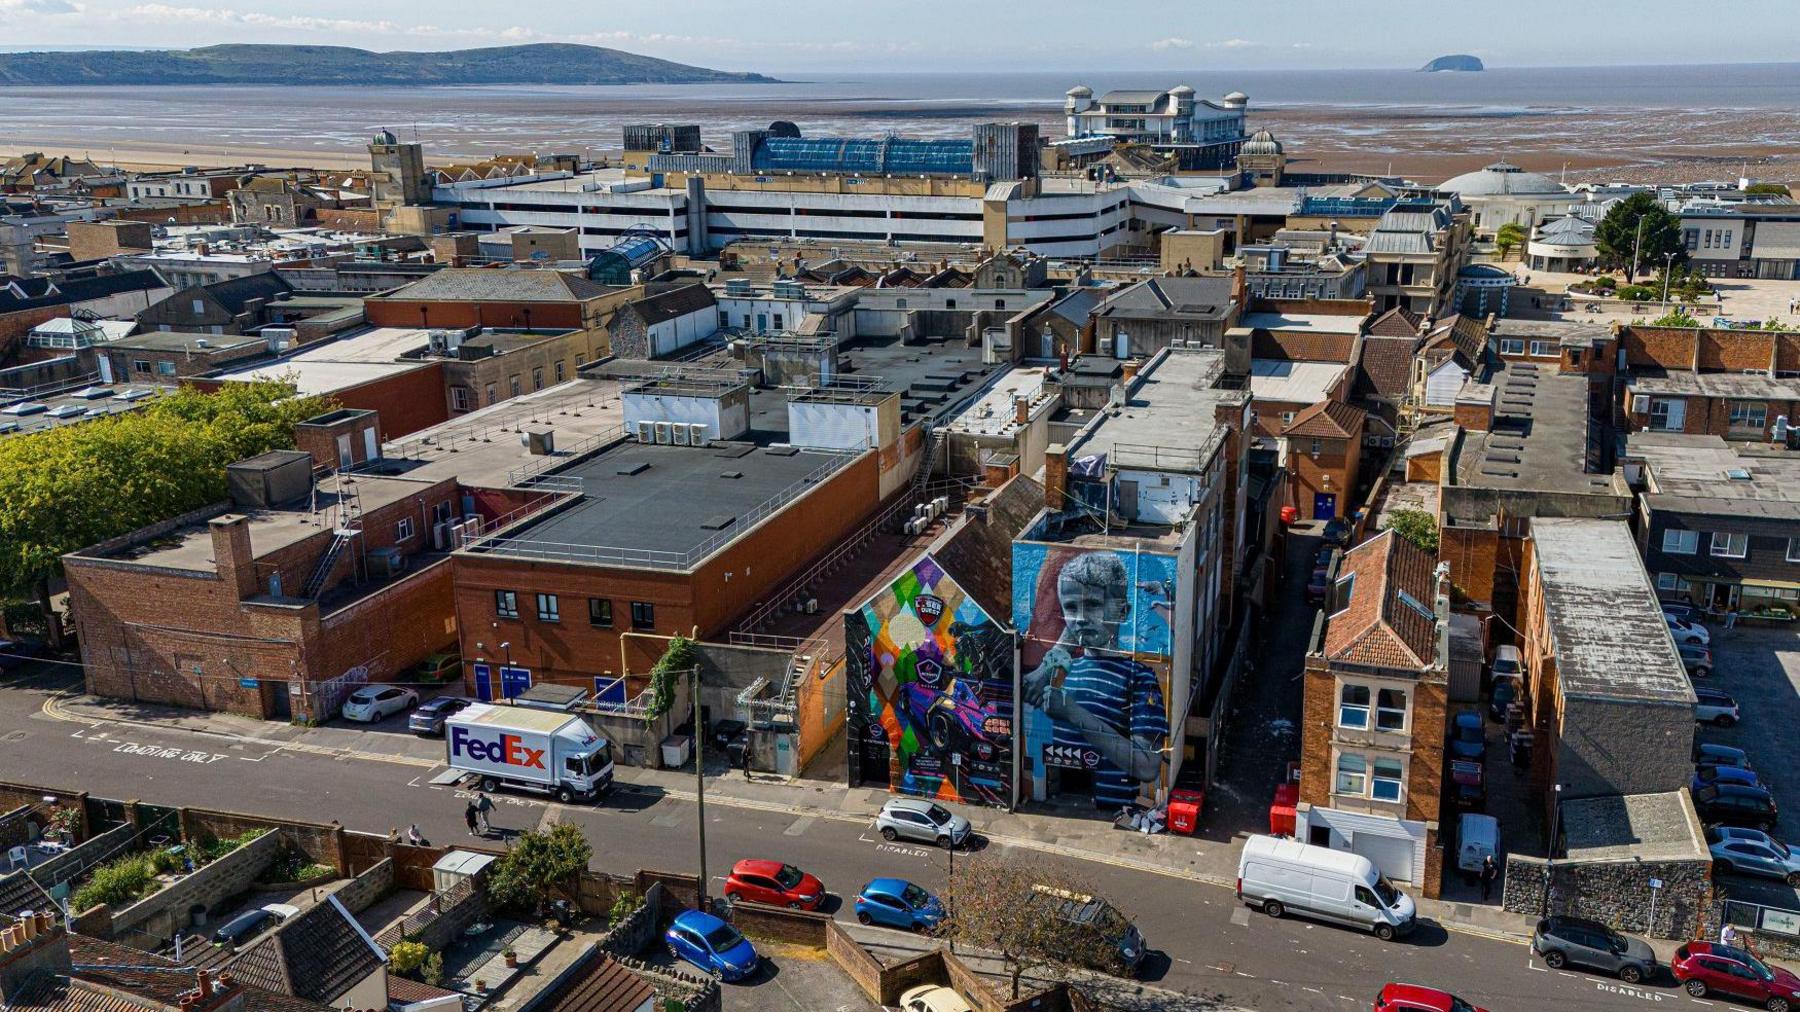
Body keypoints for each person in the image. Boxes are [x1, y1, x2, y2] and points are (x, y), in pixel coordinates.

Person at [1022, 551, 1170, 810]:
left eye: (1092, 605)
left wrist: (1074, 713)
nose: (1079, 617)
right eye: (1070, 607)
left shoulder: (1138, 676)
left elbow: (1148, 766)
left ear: (1123, 611)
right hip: (1061, 804)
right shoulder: (1065, 671)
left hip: (1115, 813)